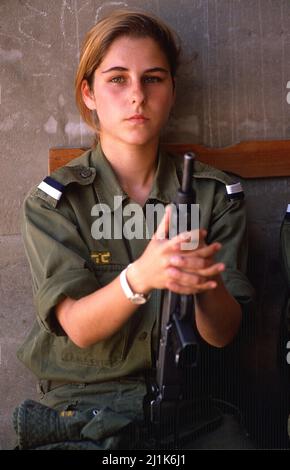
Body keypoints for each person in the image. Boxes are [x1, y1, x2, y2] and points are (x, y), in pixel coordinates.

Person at [14, 9, 255, 450]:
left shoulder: (214, 196)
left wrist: (201, 281)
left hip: (192, 411)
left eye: (154, 79)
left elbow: (223, 334)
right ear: (88, 92)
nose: (137, 96)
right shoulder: (56, 202)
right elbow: (79, 326)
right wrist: (140, 277)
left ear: (172, 90)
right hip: (84, 409)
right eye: (118, 79)